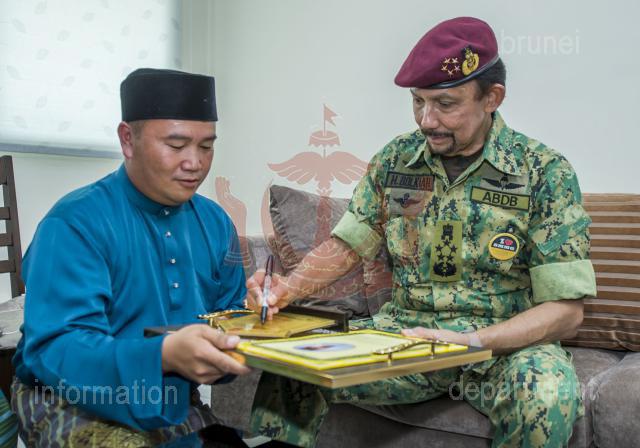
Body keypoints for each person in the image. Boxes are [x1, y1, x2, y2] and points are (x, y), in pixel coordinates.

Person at [245, 17, 596, 448]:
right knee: (291, 366)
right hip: (408, 333)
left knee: (546, 394)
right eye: (418, 102)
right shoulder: (396, 160)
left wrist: (471, 341)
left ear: (492, 98)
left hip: (502, 344)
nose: (427, 120)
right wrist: (287, 289)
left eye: (445, 104)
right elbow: (348, 244)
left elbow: (566, 311)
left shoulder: (543, 171)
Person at [11, 68, 250, 447]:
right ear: (127, 140)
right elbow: (56, 351)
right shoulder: (74, 223)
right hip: (62, 398)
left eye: (206, 147)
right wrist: (161, 356)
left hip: (167, 396)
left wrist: (258, 322)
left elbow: (228, 319)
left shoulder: (216, 223)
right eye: (176, 145)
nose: (195, 163)